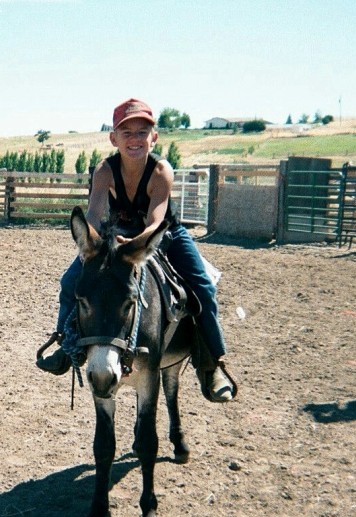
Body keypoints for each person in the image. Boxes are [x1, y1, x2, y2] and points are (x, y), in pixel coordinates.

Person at [37, 98, 236, 403]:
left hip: (164, 235)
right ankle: (67, 346)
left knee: (203, 287)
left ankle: (212, 365)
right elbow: (93, 214)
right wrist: (88, 242)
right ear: (113, 138)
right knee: (70, 282)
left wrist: (127, 245)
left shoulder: (161, 171)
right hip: (117, 236)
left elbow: (155, 222)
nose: (134, 139)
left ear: (153, 137)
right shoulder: (104, 171)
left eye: (142, 132)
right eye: (126, 133)